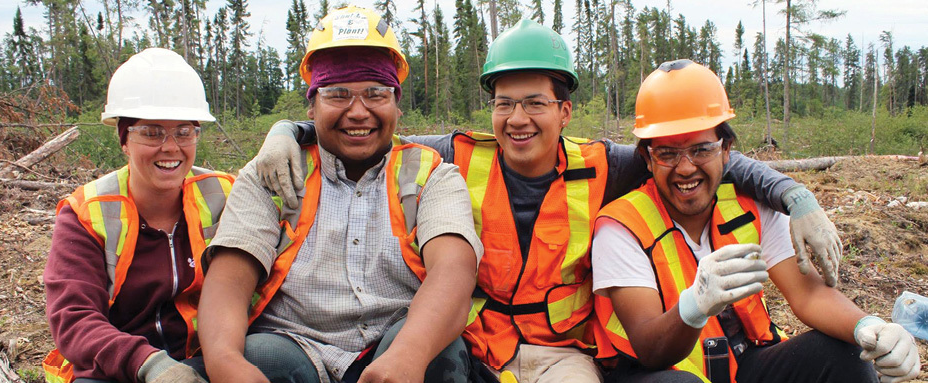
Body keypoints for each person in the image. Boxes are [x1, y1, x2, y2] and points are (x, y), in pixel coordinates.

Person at [254, 20, 842, 382]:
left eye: (535, 103)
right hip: (476, 352)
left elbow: (694, 155)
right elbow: (366, 131)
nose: (517, 119)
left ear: (564, 111)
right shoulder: (454, 156)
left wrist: (793, 193)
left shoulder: (606, 163)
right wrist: (290, 129)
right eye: (504, 103)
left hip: (567, 357)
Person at [196, 6, 481, 383]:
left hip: (398, 342)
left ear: (396, 102)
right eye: (338, 94)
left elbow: (454, 272)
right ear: (312, 105)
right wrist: (226, 364)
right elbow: (229, 281)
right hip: (295, 345)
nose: (358, 111)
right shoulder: (273, 170)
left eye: (376, 93)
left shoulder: (433, 175)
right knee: (259, 354)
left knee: (442, 352)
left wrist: (409, 357)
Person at [591, 59, 922, 383]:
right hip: (655, 373)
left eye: (702, 149)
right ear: (647, 159)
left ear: (726, 150)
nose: (686, 167)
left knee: (844, 354)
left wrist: (868, 327)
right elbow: (650, 350)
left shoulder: (749, 207)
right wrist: (693, 306)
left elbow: (807, 296)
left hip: (740, 364)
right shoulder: (621, 227)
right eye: (667, 153)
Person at [43, 48, 231, 383]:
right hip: (118, 371)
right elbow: (74, 319)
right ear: (124, 140)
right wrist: (150, 365)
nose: (171, 147)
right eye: (152, 132)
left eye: (184, 131)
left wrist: (287, 133)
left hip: (209, 359)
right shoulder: (87, 213)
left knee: (274, 357)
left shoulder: (224, 195)